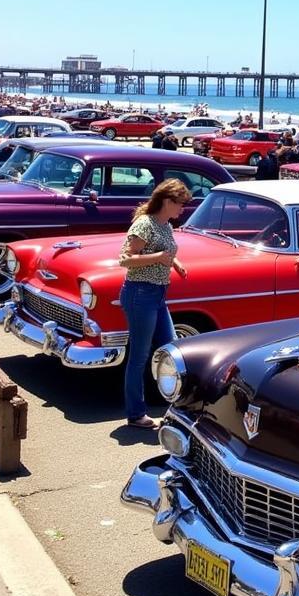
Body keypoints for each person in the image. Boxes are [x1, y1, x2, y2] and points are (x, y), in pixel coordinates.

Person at [118, 178, 191, 429]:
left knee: (171, 349)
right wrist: (159, 257)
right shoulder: (145, 224)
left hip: (158, 295)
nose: (183, 209)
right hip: (140, 293)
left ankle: (174, 405)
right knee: (139, 355)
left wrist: (175, 263)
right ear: (168, 201)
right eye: (181, 204)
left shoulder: (166, 225)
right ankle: (135, 413)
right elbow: (126, 259)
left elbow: (168, 253)